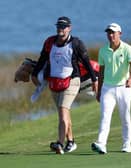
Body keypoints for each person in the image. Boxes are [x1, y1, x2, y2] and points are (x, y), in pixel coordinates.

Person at [31, 16, 98, 154]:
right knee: (64, 114)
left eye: (63, 26)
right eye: (58, 26)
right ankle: (71, 141)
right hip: (54, 82)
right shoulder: (50, 42)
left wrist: (95, 80)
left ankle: (60, 143)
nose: (60, 29)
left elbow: (86, 62)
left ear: (69, 28)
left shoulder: (76, 43)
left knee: (63, 110)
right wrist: (34, 74)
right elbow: (42, 58)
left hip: (72, 81)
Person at [91, 23, 131, 154]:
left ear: (120, 34)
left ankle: (127, 144)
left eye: (113, 32)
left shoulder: (128, 49)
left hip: (124, 87)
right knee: (105, 116)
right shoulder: (103, 50)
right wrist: (99, 91)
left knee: (125, 117)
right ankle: (101, 144)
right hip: (107, 88)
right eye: (108, 33)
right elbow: (101, 72)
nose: (110, 35)